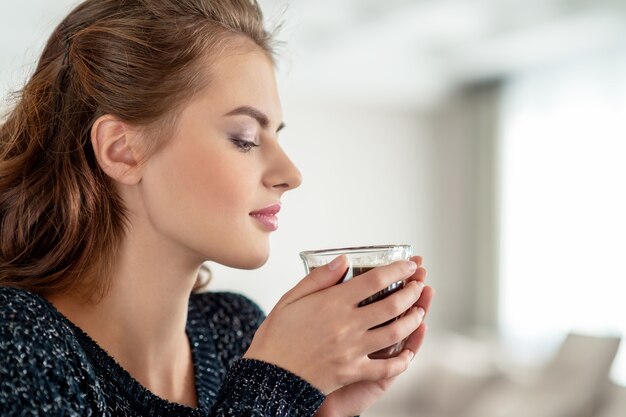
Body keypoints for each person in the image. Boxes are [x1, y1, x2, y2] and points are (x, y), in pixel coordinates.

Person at [0, 0, 434, 416]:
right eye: (245, 138)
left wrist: (321, 412)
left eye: (276, 136)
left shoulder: (235, 329)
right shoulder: (16, 336)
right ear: (122, 151)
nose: (291, 174)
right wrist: (276, 385)